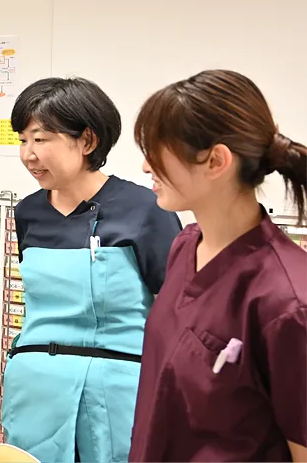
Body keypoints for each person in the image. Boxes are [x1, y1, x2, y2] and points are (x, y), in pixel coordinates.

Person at [1, 77, 182, 463]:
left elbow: (177, 310)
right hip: (37, 392)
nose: (29, 154)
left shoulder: (144, 209)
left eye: (41, 138)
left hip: (119, 391)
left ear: (87, 141)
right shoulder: (29, 213)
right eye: (23, 140)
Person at [129, 70, 307, 462]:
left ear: (216, 161)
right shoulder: (184, 246)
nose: (145, 167)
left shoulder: (287, 300)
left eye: (157, 152)